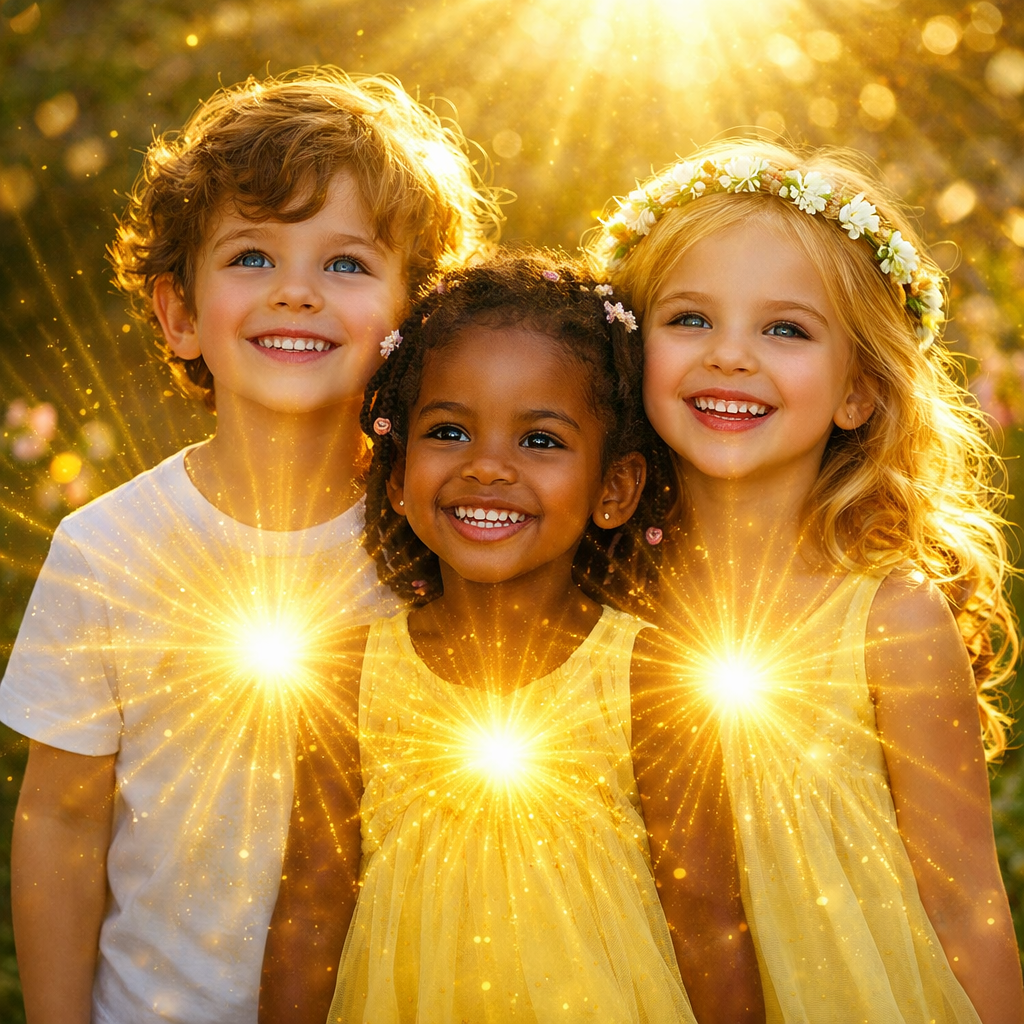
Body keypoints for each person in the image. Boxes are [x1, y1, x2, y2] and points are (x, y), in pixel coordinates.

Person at [0, 67, 500, 1024]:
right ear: (180, 315)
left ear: (414, 319)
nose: (297, 292)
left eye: (346, 265)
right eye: (253, 257)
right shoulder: (107, 550)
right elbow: (61, 818)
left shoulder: (450, 543)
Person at [259, 249, 763, 1024]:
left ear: (615, 487)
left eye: (540, 441)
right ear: (396, 478)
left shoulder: (651, 675)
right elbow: (311, 910)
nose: (488, 468)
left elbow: (707, 920)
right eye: (449, 431)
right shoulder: (345, 673)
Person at [586, 139, 1024, 1023]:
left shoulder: (891, 621)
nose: (731, 356)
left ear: (857, 391)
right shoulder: (592, 590)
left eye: (784, 329)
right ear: (630, 351)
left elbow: (964, 905)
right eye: (690, 319)